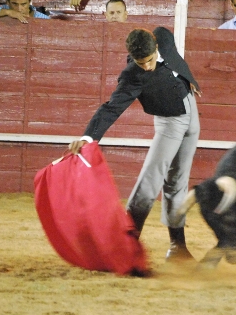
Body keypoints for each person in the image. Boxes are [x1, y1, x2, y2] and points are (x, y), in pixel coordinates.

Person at [68, 27, 201, 261]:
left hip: (192, 116)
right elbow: (111, 108)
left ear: (156, 47)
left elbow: (175, 58)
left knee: (178, 182)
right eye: (141, 63)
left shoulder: (164, 37)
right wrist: (89, 137)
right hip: (170, 123)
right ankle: (125, 246)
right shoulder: (132, 75)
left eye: (149, 61)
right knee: (150, 180)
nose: (147, 67)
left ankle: (177, 247)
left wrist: (190, 80)